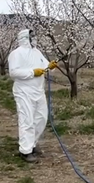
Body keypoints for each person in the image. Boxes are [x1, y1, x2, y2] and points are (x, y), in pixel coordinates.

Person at [7, 29, 57, 163]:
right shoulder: (16, 54)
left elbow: (45, 67)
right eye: (32, 37)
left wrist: (51, 66)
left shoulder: (37, 52)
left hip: (38, 91)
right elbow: (13, 72)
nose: (35, 39)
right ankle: (25, 151)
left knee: (41, 118)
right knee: (26, 120)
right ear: (25, 38)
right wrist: (32, 72)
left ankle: (32, 144)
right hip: (24, 92)